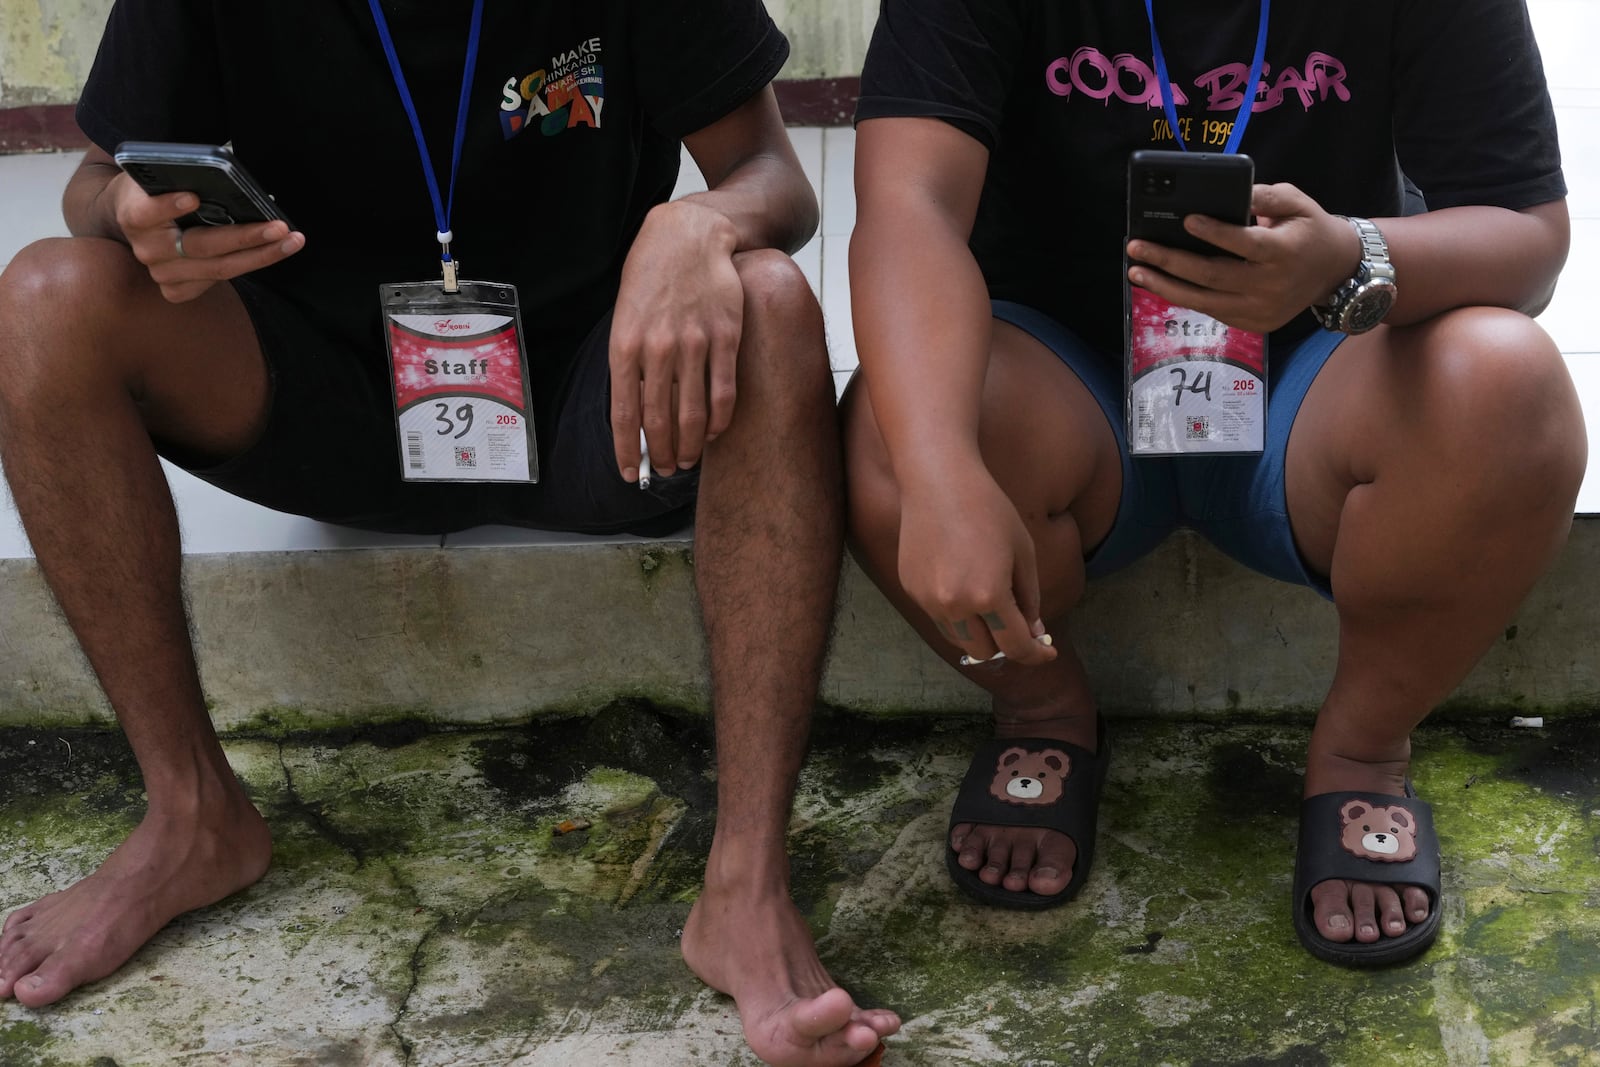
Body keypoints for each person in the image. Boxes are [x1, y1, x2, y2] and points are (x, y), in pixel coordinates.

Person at [0, 2, 899, 1062]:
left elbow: (771, 176)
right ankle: (191, 811)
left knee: (771, 302)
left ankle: (747, 884)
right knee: (44, 299)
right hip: (315, 393)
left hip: (598, 398)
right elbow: (88, 184)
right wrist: (124, 210)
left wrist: (698, 224)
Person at [844, 0, 1585, 966]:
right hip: (1065, 386)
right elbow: (908, 207)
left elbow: (1529, 233)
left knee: (1509, 380)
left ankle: (1363, 747)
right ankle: (1040, 705)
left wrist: (1348, 254)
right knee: (893, 426)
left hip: (1319, 384)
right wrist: (940, 473)